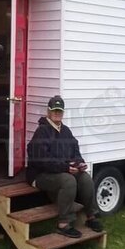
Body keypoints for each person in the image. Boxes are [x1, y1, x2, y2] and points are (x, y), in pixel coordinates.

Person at [26, 96, 104, 238]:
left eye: (59, 111)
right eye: (54, 110)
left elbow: (75, 151)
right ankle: (63, 223)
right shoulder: (42, 131)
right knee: (68, 180)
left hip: (60, 171)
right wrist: (66, 168)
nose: (57, 113)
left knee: (85, 178)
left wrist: (79, 163)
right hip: (40, 174)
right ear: (48, 111)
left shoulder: (66, 131)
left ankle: (91, 216)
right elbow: (43, 161)